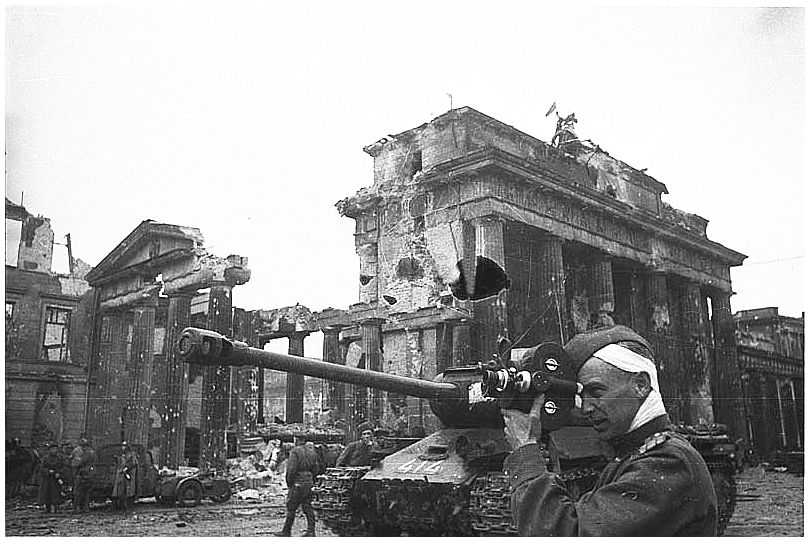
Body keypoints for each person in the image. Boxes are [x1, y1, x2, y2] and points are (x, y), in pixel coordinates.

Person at [502, 325, 718, 536]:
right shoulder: (639, 454)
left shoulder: (667, 463)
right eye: (582, 396)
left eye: (596, 391)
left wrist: (526, 451)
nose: (586, 408)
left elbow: (567, 533)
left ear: (641, 385)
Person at [274, 436, 323, 537]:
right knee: (308, 507)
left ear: (297, 440)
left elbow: (291, 469)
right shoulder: (312, 452)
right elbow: (316, 469)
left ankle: (286, 531)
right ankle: (311, 531)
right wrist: (311, 481)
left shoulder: (295, 451)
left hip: (297, 482)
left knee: (291, 507)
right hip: (308, 482)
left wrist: (290, 483)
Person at [70, 435, 97, 513]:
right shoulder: (93, 452)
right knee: (87, 492)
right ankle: (86, 507)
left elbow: (77, 463)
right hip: (90, 473)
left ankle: (76, 508)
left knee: (77, 492)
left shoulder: (82, 452)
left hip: (82, 473)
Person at [37, 442, 65, 514]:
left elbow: (64, 466)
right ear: (49, 450)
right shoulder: (45, 458)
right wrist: (48, 471)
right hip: (47, 479)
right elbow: (42, 468)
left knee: (56, 493)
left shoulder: (60, 457)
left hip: (56, 479)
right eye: (53, 449)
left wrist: (59, 473)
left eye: (55, 449)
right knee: (47, 493)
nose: (54, 450)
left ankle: (56, 509)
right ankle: (48, 509)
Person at [111, 441, 139, 511]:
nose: (122, 447)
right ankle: (120, 506)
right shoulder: (122, 455)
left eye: (124, 446)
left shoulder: (132, 454)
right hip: (122, 474)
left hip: (129, 474)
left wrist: (127, 468)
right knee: (120, 490)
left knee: (129, 491)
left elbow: (133, 463)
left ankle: (128, 506)